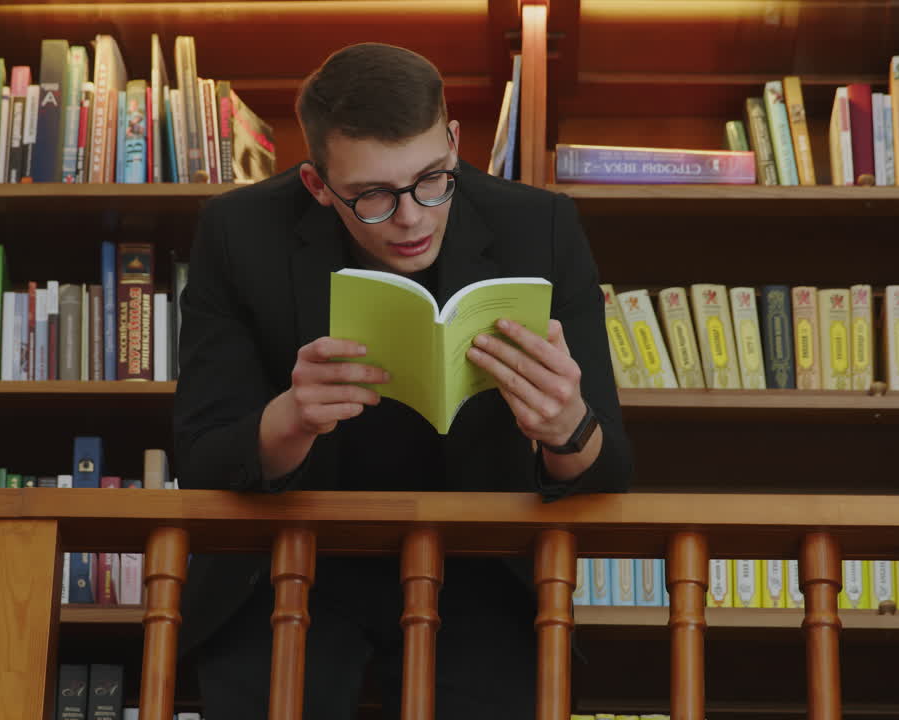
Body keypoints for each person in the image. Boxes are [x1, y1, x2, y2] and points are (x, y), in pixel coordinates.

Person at [173, 42, 633, 720]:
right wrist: (291, 419)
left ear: (452, 142)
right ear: (318, 186)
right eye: (373, 196)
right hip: (285, 562)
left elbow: (609, 466)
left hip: (476, 565)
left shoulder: (540, 227)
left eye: (432, 179)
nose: (413, 216)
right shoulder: (240, 233)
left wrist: (568, 429)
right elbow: (202, 457)